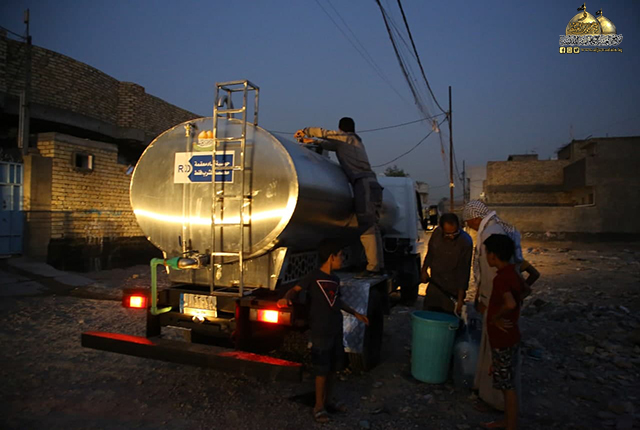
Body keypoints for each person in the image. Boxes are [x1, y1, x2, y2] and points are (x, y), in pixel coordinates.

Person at [277, 240, 369, 423]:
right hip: (320, 330)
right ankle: (318, 406)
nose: (342, 258)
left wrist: (355, 313)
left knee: (334, 368)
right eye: (340, 255)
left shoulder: (335, 279)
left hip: (335, 327)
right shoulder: (313, 276)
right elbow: (294, 290)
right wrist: (285, 298)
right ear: (331, 257)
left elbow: (336, 301)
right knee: (321, 369)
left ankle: (329, 400)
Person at [295, 118, 384, 277]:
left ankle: (373, 268)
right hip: (370, 184)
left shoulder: (346, 138)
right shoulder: (351, 142)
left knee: (366, 226)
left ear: (340, 129)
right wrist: (311, 141)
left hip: (364, 184)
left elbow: (325, 134)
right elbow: (328, 144)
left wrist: (306, 130)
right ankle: (375, 265)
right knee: (369, 226)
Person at [462, 200, 523, 412]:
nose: (470, 226)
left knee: (496, 358)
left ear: (475, 219)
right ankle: (491, 396)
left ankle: (497, 401)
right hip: (496, 300)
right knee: (493, 354)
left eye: (469, 222)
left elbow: (491, 276)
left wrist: (487, 302)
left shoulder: (491, 234)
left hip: (495, 303)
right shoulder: (494, 230)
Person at [481, 234, 525, 430]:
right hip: (510, 336)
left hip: (503, 339)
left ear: (493, 255)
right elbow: (526, 289)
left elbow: (510, 303)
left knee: (508, 387)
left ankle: (511, 425)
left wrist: (496, 317)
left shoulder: (501, 279)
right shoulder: (513, 273)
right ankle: (507, 421)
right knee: (507, 381)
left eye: (487, 253)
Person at [420, 213, 473, 315]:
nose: (452, 237)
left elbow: (464, 271)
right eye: (448, 234)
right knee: (430, 314)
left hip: (452, 289)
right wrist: (424, 270)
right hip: (435, 285)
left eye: (455, 233)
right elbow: (430, 254)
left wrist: (460, 299)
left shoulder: (465, 242)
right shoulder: (437, 234)